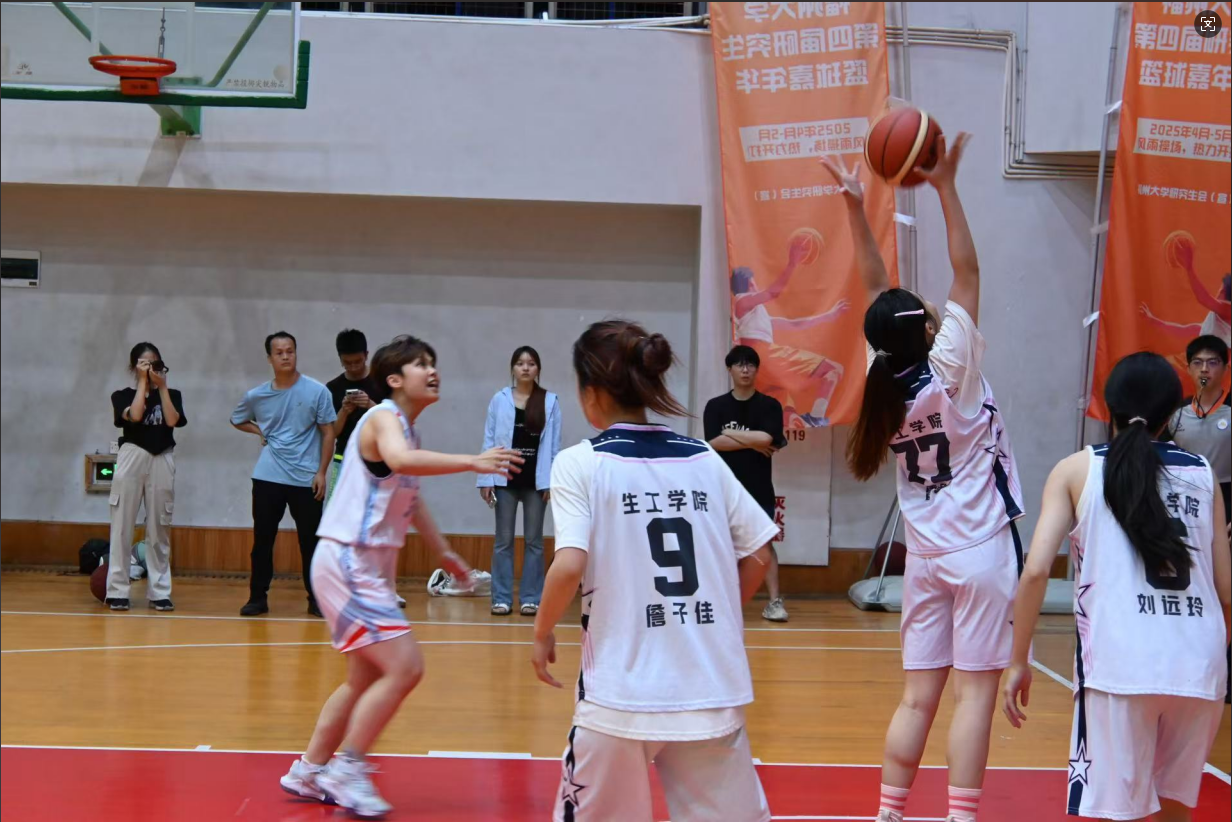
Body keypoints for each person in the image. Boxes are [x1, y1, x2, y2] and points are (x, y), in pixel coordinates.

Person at [824, 135, 1025, 822]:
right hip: (980, 550)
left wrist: (856, 207)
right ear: (929, 328)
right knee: (973, 698)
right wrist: (945, 187)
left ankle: (889, 813)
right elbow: (967, 269)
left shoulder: (882, 381)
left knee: (916, 700)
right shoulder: (951, 370)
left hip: (926, 557)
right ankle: (960, 817)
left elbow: (874, 289)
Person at [531, 319, 778, 822]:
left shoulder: (580, 462)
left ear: (591, 393)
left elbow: (569, 563)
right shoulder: (703, 457)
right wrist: (718, 614)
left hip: (618, 697)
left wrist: (541, 632)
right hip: (709, 688)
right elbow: (759, 553)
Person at [279, 335, 523, 818]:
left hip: (360, 565)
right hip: (349, 561)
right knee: (406, 667)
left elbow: (411, 498)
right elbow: (400, 463)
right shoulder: (383, 418)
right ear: (394, 379)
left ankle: (308, 770)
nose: (432, 371)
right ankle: (348, 768)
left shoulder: (407, 432)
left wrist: (446, 553)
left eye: (433, 363)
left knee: (363, 677)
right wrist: (472, 461)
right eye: (420, 364)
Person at [1003, 352, 1231, 822]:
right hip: (1200, 664)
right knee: (1176, 814)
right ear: (1172, 414)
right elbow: (1226, 591)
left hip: (1119, 666)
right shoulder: (1203, 473)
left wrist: (1018, 660)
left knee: (1122, 814)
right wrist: (1209, 653)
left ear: (1110, 408)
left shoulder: (1076, 469)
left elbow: (1036, 570)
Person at [231, 331, 337, 617]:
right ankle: (257, 597)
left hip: (306, 478)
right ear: (270, 358)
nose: (285, 356)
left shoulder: (317, 391)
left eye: (290, 351)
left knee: (311, 542)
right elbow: (237, 419)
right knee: (263, 540)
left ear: (296, 353)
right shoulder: (257, 395)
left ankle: (317, 599)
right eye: (279, 352)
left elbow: (329, 432)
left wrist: (322, 472)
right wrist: (260, 431)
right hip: (268, 477)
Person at [704, 344, 790, 622]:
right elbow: (714, 442)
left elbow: (766, 439)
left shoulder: (769, 405)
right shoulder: (716, 406)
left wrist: (731, 433)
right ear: (729, 369)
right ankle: (723, 602)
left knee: (764, 545)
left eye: (750, 364)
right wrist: (752, 440)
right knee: (723, 546)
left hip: (759, 488)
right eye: (739, 364)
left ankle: (774, 602)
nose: (745, 369)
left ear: (756, 369)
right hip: (723, 490)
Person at [730, 235, 851, 429]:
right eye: (754, 282)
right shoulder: (742, 301)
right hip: (762, 354)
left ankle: (791, 424)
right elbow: (773, 292)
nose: (757, 286)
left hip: (759, 369)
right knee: (832, 369)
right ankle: (816, 416)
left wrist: (829, 315)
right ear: (749, 284)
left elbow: (794, 324)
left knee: (787, 416)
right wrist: (792, 263)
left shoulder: (756, 315)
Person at [477, 346, 563, 616]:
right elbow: (489, 440)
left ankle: (531, 598)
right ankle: (501, 599)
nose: (525, 368)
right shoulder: (499, 399)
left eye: (531, 363)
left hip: (537, 482)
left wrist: (552, 481)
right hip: (505, 479)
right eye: (520, 363)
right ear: (513, 368)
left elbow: (554, 446)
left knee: (534, 542)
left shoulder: (550, 401)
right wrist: (485, 478)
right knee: (503, 541)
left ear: (538, 369)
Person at [106, 342, 186, 612]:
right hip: (132, 454)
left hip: (162, 456)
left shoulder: (172, 394)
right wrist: (143, 383)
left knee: (159, 526)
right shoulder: (122, 395)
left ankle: (159, 592)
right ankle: (117, 590)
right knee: (122, 525)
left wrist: (161, 387)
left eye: (155, 363)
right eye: (144, 363)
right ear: (133, 367)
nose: (150, 368)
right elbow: (136, 415)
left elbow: (172, 421)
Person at [326, 329, 380, 503]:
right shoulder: (332, 388)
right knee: (338, 507)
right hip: (344, 457)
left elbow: (395, 421)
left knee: (374, 509)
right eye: (347, 363)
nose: (353, 367)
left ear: (366, 355)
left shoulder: (381, 382)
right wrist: (344, 411)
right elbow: (331, 433)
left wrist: (370, 405)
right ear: (340, 359)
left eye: (358, 361)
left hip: (378, 458)